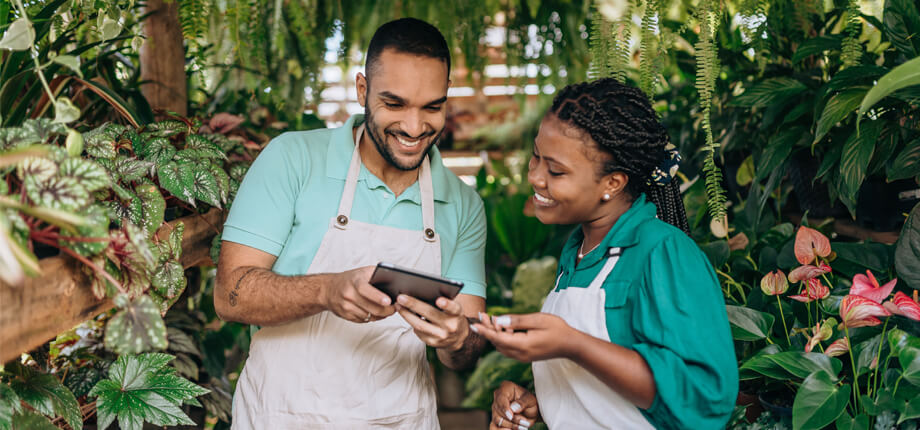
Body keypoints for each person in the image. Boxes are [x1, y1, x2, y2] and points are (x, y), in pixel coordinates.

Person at [214, 18, 488, 429]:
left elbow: (468, 350)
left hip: (401, 420)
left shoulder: (463, 204)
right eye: (394, 104)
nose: (414, 128)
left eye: (432, 107)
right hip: (282, 416)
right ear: (362, 90)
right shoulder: (292, 159)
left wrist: (458, 339)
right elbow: (229, 295)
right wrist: (327, 290)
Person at [472, 78, 738, 429]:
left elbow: (704, 398)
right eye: (536, 156)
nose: (535, 177)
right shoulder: (577, 252)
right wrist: (543, 400)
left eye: (555, 170)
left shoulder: (663, 251)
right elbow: (607, 387)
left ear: (612, 183)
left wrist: (572, 344)